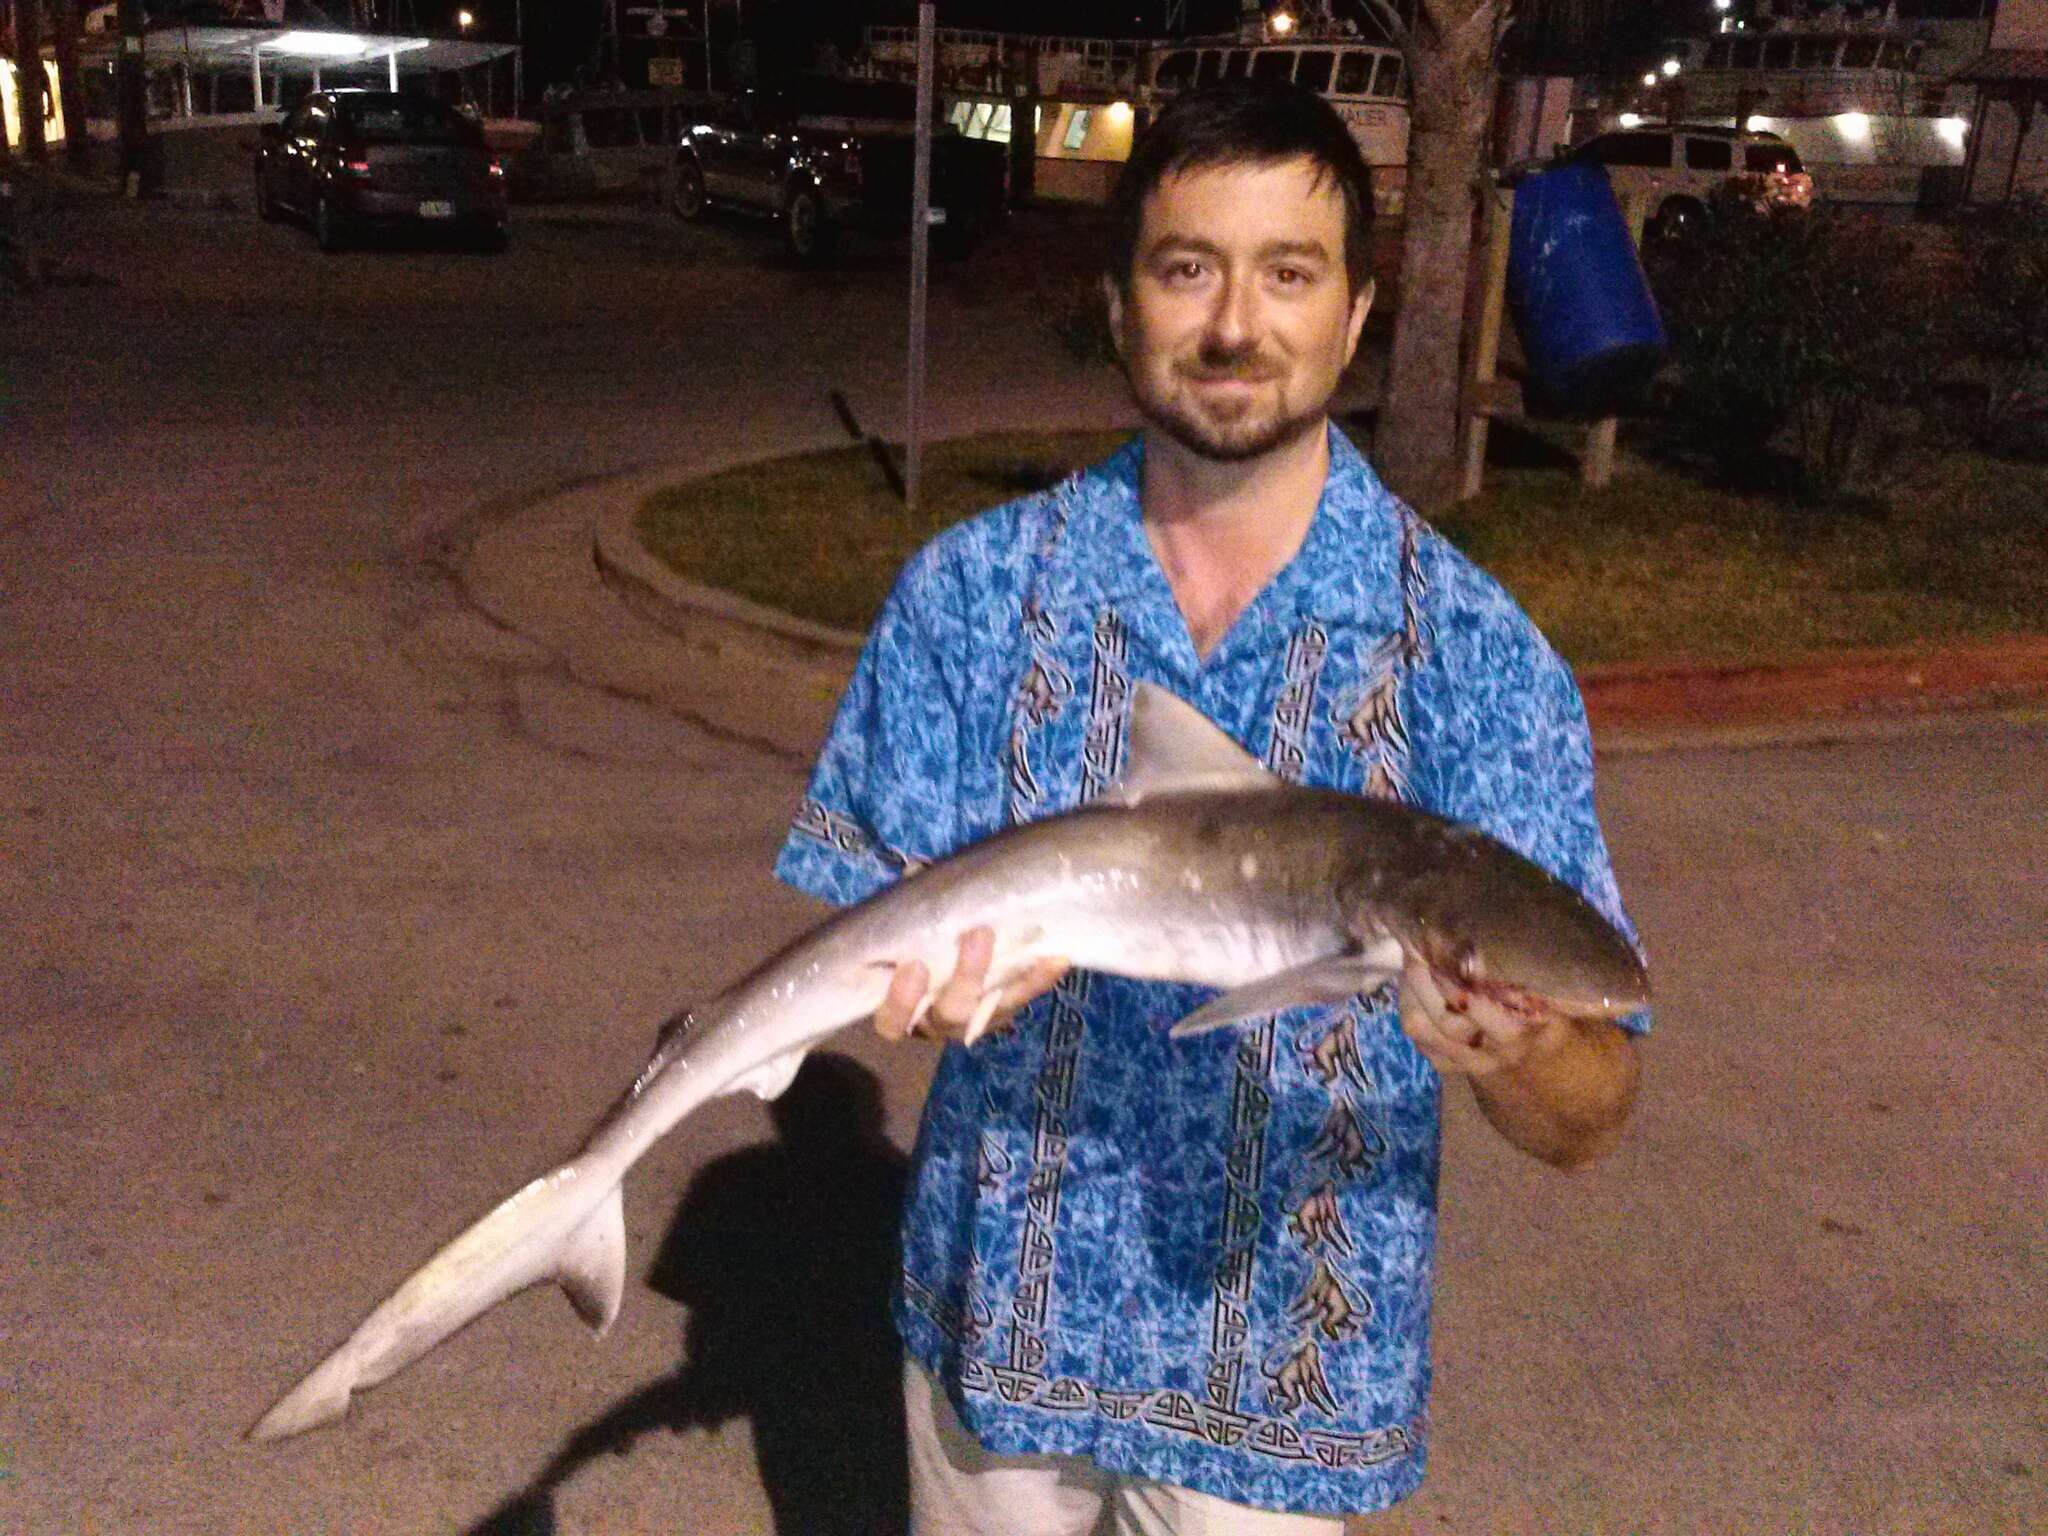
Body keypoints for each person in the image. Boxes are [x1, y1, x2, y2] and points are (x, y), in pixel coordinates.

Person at [775, 79, 1649, 1535]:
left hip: (1288, 1407)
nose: (1236, 324)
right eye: (1188, 269)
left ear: (1359, 314)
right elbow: (874, 922)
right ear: (1121, 306)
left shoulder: (1480, 657)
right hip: (999, 1357)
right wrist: (921, 993)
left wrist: (1520, 1051)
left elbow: (1588, 1117)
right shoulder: (970, 595)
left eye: (1289, 273)